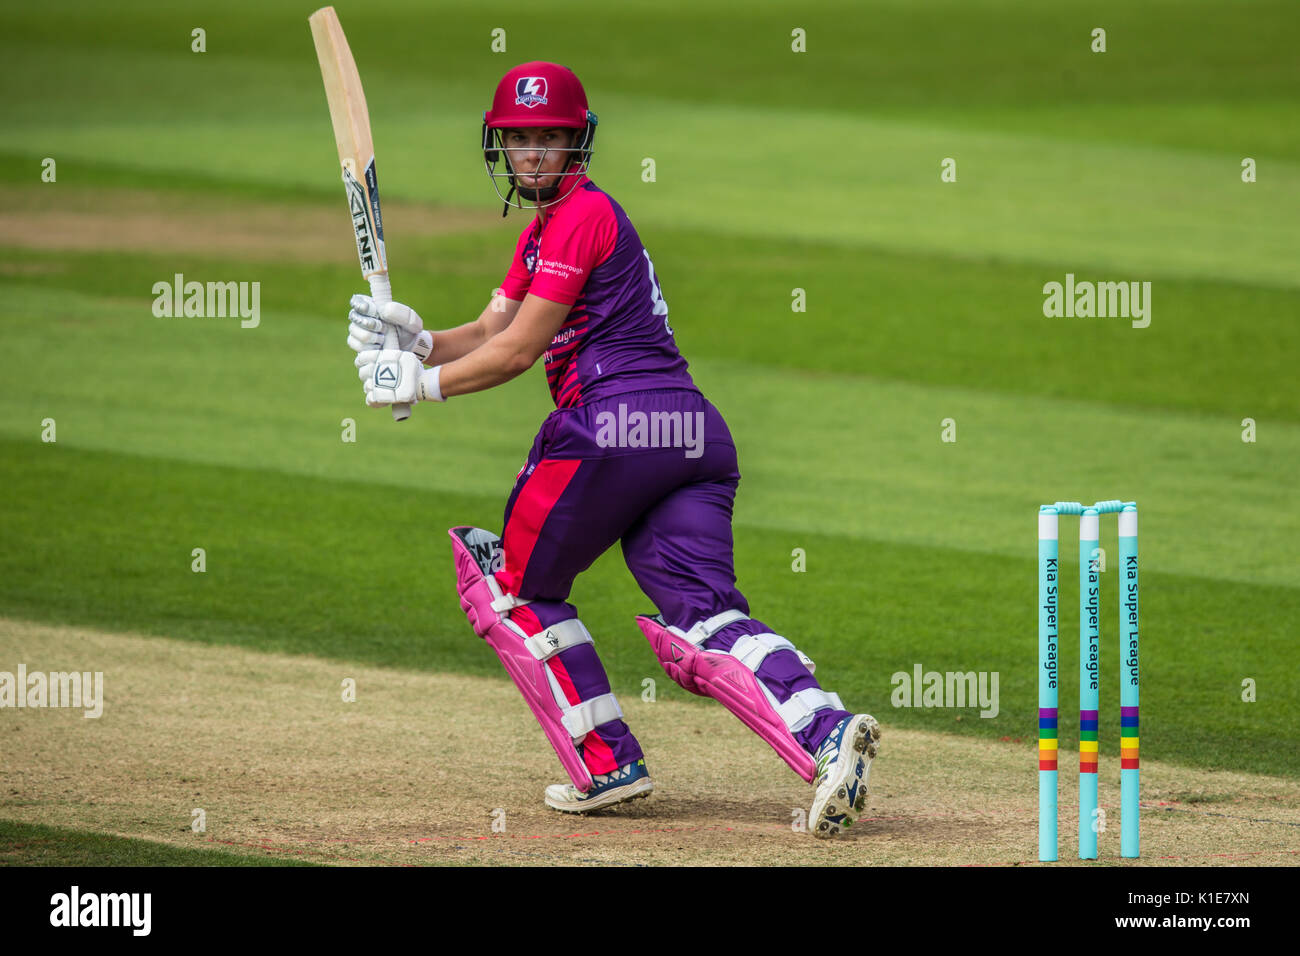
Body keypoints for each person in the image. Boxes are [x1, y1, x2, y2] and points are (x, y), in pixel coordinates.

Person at [348, 61, 880, 837]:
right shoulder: (547, 234)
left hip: (614, 428)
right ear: (502, 145)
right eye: (520, 139)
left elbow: (519, 353)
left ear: (577, 144)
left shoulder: (580, 218)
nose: (533, 154)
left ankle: (605, 763)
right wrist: (417, 342)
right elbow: (491, 329)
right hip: (691, 435)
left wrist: (417, 387)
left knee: (507, 584)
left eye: (549, 139)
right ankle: (829, 735)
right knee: (704, 617)